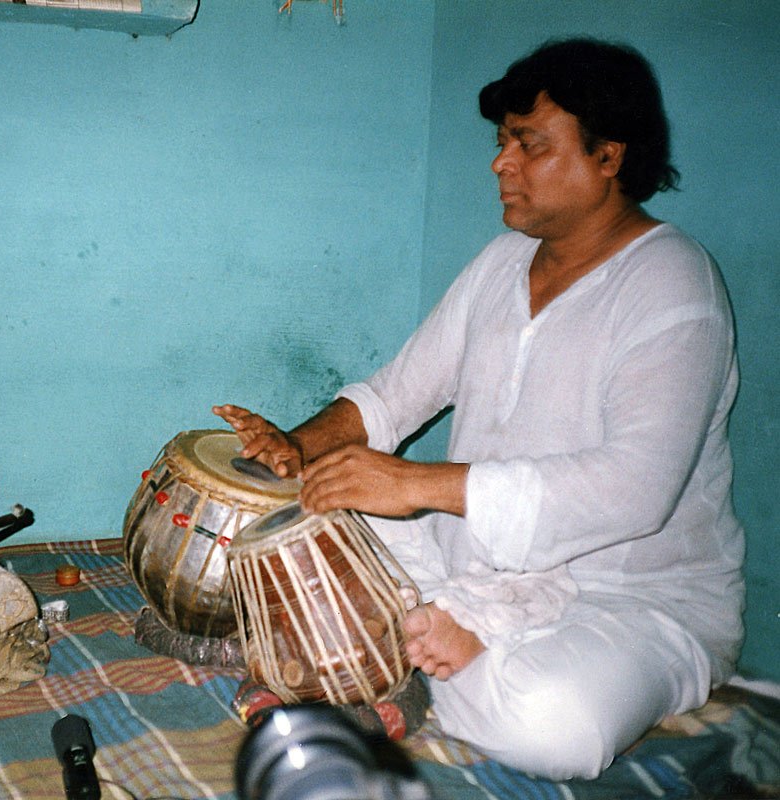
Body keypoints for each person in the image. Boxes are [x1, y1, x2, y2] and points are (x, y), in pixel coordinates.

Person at [215, 38, 743, 781]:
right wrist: (295, 450)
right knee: (289, 519)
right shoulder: (501, 264)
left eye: (529, 145)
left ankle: (406, 655)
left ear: (608, 156)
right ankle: (429, 645)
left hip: (626, 599)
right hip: (471, 558)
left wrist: (413, 484)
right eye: (502, 143)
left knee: (557, 727)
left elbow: (635, 490)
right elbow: (396, 394)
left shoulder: (673, 283)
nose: (501, 163)